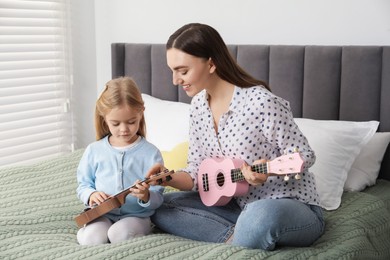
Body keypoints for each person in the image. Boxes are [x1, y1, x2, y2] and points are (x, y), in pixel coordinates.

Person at [147, 23, 325, 250]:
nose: (175, 80)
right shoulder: (198, 107)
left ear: (211, 64)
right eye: (172, 71)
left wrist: (268, 169)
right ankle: (236, 237)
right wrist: (166, 178)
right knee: (158, 204)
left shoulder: (261, 102)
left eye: (183, 71)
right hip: (235, 206)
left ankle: (244, 233)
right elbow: (196, 174)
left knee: (260, 215)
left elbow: (305, 156)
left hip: (286, 205)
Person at [76, 77, 165, 245]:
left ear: (141, 113)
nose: (124, 129)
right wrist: (91, 195)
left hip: (136, 216)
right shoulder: (94, 150)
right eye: (115, 123)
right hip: (102, 214)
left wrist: (146, 196)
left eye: (131, 122)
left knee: (120, 235)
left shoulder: (151, 153)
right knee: (91, 239)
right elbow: (83, 185)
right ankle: (86, 232)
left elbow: (159, 197)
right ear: (104, 118)